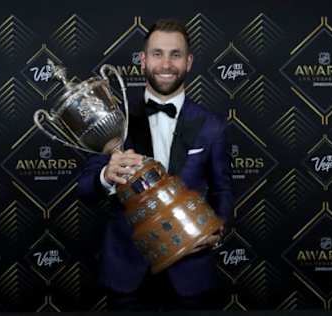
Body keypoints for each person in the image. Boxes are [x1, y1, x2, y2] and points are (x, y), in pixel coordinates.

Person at [77, 18, 233, 311]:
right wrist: (106, 177)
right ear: (143, 61)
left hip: (190, 272)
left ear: (188, 62)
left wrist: (216, 230)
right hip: (126, 271)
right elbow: (85, 189)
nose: (166, 64)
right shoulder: (114, 120)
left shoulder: (212, 126)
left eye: (175, 55)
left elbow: (223, 189)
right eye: (158, 54)